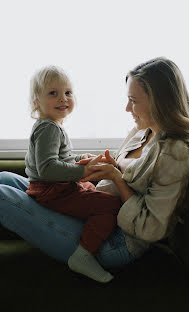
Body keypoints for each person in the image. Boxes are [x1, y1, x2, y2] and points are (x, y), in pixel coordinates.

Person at [0, 57, 189, 281]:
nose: (127, 108)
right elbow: (126, 173)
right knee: (5, 179)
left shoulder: (176, 153)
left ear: (160, 102)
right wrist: (106, 164)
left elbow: (151, 228)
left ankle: (83, 256)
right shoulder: (142, 133)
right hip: (94, 215)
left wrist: (115, 177)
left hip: (114, 241)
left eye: (133, 100)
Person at [22, 65, 122, 283]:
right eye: (53, 93)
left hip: (52, 187)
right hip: (53, 190)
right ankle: (83, 255)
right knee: (111, 205)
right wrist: (83, 171)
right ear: (36, 102)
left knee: (92, 189)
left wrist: (80, 160)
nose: (63, 99)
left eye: (68, 92)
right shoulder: (49, 128)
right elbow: (48, 168)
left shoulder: (50, 126)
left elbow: (57, 160)